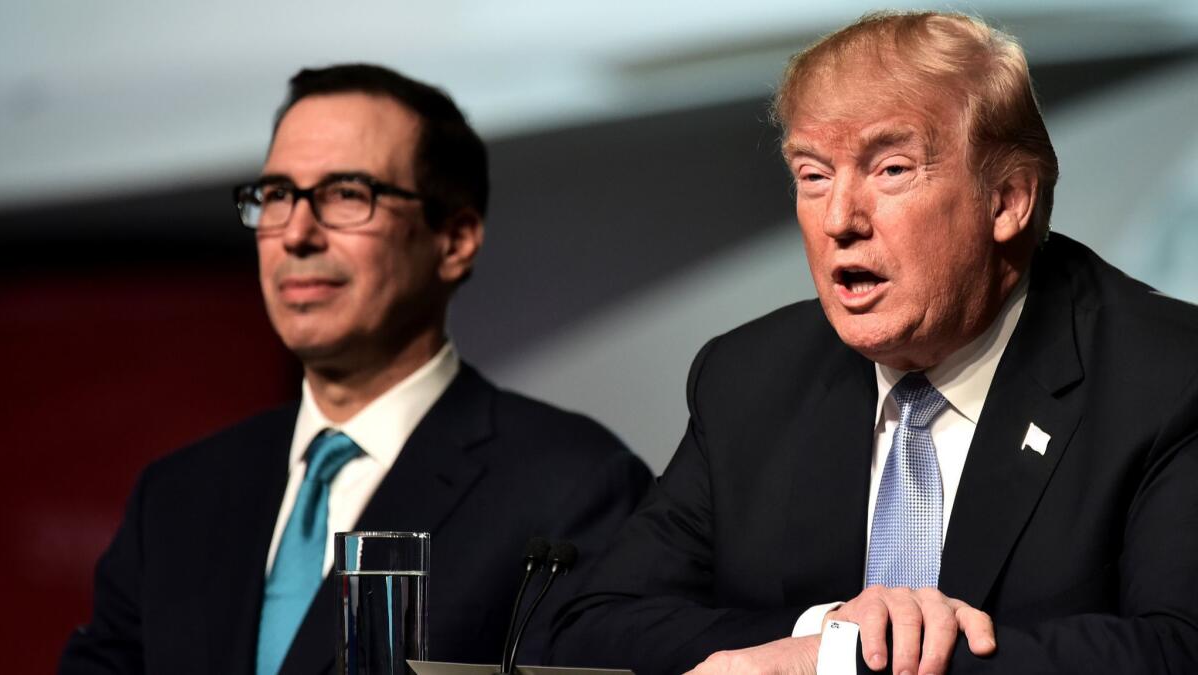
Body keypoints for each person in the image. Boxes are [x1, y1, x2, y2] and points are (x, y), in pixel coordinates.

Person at [550, 11, 1198, 675]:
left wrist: (844, 665)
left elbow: (1178, 651)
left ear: (1007, 200)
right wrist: (818, 635)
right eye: (812, 174)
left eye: (889, 168)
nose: (839, 220)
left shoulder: (1168, 377)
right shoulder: (750, 377)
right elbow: (593, 628)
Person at [60, 64, 653, 675]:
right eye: (277, 196)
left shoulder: (572, 486)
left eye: (346, 195)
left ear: (454, 240)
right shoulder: (179, 494)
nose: (296, 233)